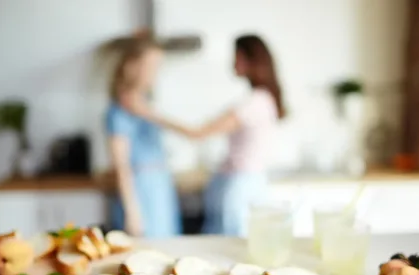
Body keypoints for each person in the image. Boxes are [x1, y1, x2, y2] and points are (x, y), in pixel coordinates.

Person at [132, 34, 285, 236]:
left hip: (238, 186)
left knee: (228, 246)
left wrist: (146, 112)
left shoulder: (253, 104)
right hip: (244, 182)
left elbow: (197, 133)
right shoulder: (263, 100)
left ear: (250, 60)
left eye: (237, 56)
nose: (233, 62)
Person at [105, 35, 192, 237]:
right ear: (131, 66)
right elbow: (121, 166)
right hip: (141, 193)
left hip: (159, 188)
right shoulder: (118, 112)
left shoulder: (144, 105)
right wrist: (132, 212)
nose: (155, 74)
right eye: (151, 66)